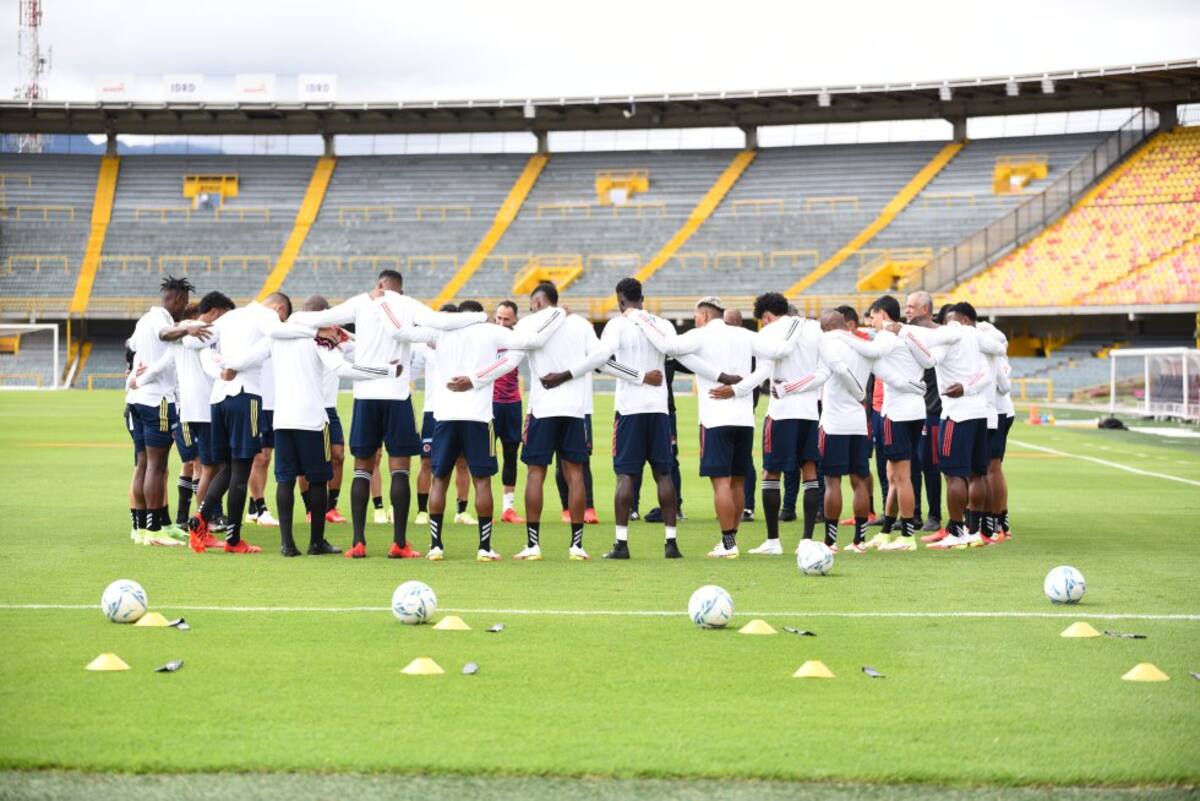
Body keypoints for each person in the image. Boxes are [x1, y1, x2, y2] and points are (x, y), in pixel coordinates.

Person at [287, 270, 486, 559]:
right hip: (396, 394)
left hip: (365, 396)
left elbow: (311, 318)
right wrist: (479, 317)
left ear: (379, 283)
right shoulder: (407, 305)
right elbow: (443, 321)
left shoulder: (359, 302)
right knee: (400, 469)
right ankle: (399, 543)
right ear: (399, 288)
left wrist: (315, 327)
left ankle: (358, 542)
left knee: (362, 468)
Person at [543, 278, 690, 559]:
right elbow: (678, 354)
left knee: (625, 475)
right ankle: (671, 543)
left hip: (630, 410)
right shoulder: (663, 324)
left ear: (619, 299)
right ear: (643, 298)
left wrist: (564, 375)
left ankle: (621, 544)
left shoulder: (617, 325)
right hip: (659, 409)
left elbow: (601, 360)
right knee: (664, 473)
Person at [431, 299, 566, 560]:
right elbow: (524, 346)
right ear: (481, 315)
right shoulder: (490, 331)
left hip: (445, 414)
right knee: (482, 480)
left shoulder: (443, 332)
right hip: (478, 417)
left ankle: (435, 546)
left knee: (440, 478)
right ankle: (483, 548)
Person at [260, 314, 404, 556]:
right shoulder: (318, 341)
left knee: (285, 479)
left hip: (282, 418)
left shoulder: (278, 336)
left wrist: (227, 364)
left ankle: (287, 544)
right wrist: (387, 370)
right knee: (318, 480)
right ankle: (316, 542)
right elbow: (342, 367)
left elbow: (255, 349)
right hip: (312, 420)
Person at [628, 296, 760, 558]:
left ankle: (728, 544)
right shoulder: (745, 335)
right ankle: (732, 541)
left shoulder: (701, 335)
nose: (695, 320)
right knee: (737, 483)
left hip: (716, 418)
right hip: (745, 418)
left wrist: (641, 319)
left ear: (706, 316)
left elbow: (668, 345)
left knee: (721, 483)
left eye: (696, 316)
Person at [183, 292, 311, 553]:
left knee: (227, 468)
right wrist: (309, 332)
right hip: (245, 396)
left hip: (218, 398)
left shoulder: (230, 317)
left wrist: (219, 371)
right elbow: (271, 341)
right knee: (242, 468)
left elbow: (193, 344)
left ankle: (201, 517)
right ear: (279, 308)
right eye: (283, 317)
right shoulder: (267, 317)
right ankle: (233, 540)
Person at [896, 301, 1004, 549]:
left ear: (959, 321)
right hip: (979, 412)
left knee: (953, 473)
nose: (947, 325)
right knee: (977, 473)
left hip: (956, 414)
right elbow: (996, 351)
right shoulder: (975, 336)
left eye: (950, 320)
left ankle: (956, 531)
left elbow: (928, 352)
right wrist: (969, 386)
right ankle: (974, 530)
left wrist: (902, 331)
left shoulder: (951, 332)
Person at [834, 296, 930, 551]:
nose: (871, 322)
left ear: (883, 314)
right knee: (893, 475)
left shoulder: (887, 335)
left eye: (873, 316)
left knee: (901, 477)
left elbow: (871, 351)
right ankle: (887, 530)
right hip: (910, 410)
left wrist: (841, 335)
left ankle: (907, 535)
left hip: (898, 412)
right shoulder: (903, 334)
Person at [740, 293, 829, 555]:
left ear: (767, 315)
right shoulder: (814, 329)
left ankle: (773, 541)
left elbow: (763, 371)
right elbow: (825, 372)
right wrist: (799, 386)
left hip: (781, 412)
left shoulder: (769, 333)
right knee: (810, 471)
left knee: (771, 473)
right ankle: (806, 540)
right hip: (810, 412)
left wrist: (737, 389)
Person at [125, 276, 210, 544]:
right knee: (157, 467)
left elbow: (131, 347)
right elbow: (164, 334)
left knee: (143, 465)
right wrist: (187, 330)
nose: (184, 308)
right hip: (156, 401)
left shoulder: (143, 321)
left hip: (136, 399)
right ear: (175, 299)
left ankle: (145, 527)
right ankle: (154, 531)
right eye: (183, 302)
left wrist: (135, 370)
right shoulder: (161, 317)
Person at [813, 309, 873, 553]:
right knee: (859, 481)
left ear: (826, 327)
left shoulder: (827, 343)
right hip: (858, 421)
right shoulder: (861, 343)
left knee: (832, 482)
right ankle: (860, 540)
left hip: (834, 421)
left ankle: (831, 540)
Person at [412, 306, 475, 528]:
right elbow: (411, 372)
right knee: (427, 462)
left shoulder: (463, 348)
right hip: (433, 410)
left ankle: (462, 510)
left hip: (459, 410)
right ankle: (421, 510)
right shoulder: (426, 349)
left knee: (462, 462)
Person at [296, 295, 349, 525]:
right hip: (306, 406)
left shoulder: (339, 340)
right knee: (305, 462)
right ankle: (310, 508)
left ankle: (331, 506)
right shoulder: (297, 337)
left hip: (329, 407)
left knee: (338, 456)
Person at [903, 291, 944, 536]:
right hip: (911, 409)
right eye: (906, 306)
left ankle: (934, 515)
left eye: (912, 306)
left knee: (930, 464)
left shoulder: (938, 335)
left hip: (932, 409)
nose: (907, 310)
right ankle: (914, 513)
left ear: (926, 309)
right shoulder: (909, 334)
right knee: (911, 464)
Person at [491, 300, 525, 524]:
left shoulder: (519, 340)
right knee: (485, 455)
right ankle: (486, 507)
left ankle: (508, 509)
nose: (501, 323)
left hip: (512, 403)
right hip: (489, 403)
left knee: (511, 455)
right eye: (498, 318)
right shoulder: (487, 338)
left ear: (515, 320)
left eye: (506, 319)